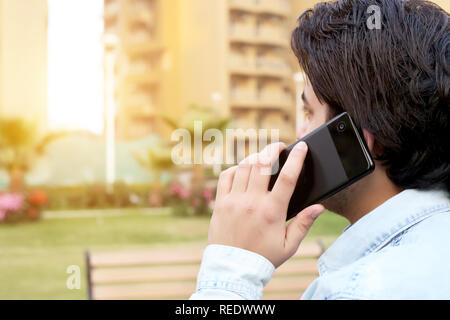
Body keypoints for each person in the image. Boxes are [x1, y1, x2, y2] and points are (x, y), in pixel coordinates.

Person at [190, 0, 449, 300]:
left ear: (357, 138)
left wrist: (230, 269)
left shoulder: (356, 291)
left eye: (309, 114)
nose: (300, 137)